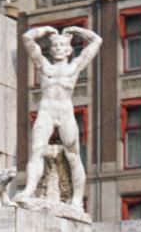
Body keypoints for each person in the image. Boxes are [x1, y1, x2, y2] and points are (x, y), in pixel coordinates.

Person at [16, 25, 101, 210]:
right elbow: (27, 38)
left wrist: (78, 30)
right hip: (46, 110)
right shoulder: (43, 65)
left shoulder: (75, 66)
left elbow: (96, 41)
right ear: (50, 49)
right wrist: (45, 29)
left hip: (65, 111)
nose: (58, 49)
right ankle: (29, 190)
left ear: (70, 50)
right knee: (37, 150)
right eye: (55, 46)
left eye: (63, 46)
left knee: (73, 155)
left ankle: (77, 200)